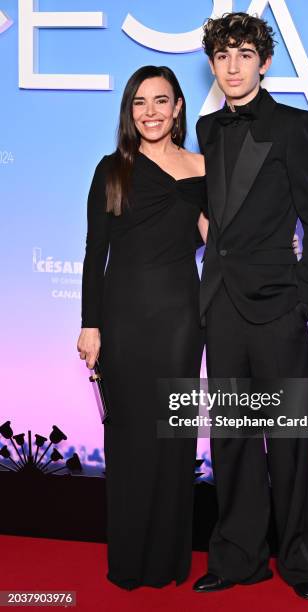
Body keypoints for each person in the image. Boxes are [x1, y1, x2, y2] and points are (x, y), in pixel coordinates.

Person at [193, 12, 308, 600]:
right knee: (231, 438)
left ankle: (302, 563)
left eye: (244, 54)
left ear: (265, 62)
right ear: (213, 64)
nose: (232, 66)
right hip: (221, 307)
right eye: (223, 56)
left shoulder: (296, 127)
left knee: (292, 440)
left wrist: (304, 299)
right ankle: (238, 557)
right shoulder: (204, 130)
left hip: (279, 308)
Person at [76, 65, 208, 590]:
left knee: (173, 439)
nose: (150, 112)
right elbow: (94, 254)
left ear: (178, 107)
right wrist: (91, 325)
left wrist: (272, 252)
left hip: (181, 317)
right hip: (125, 317)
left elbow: (216, 238)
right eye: (139, 103)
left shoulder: (203, 167)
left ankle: (168, 561)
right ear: (129, 112)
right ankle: (130, 561)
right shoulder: (113, 170)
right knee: (130, 439)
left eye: (161, 101)